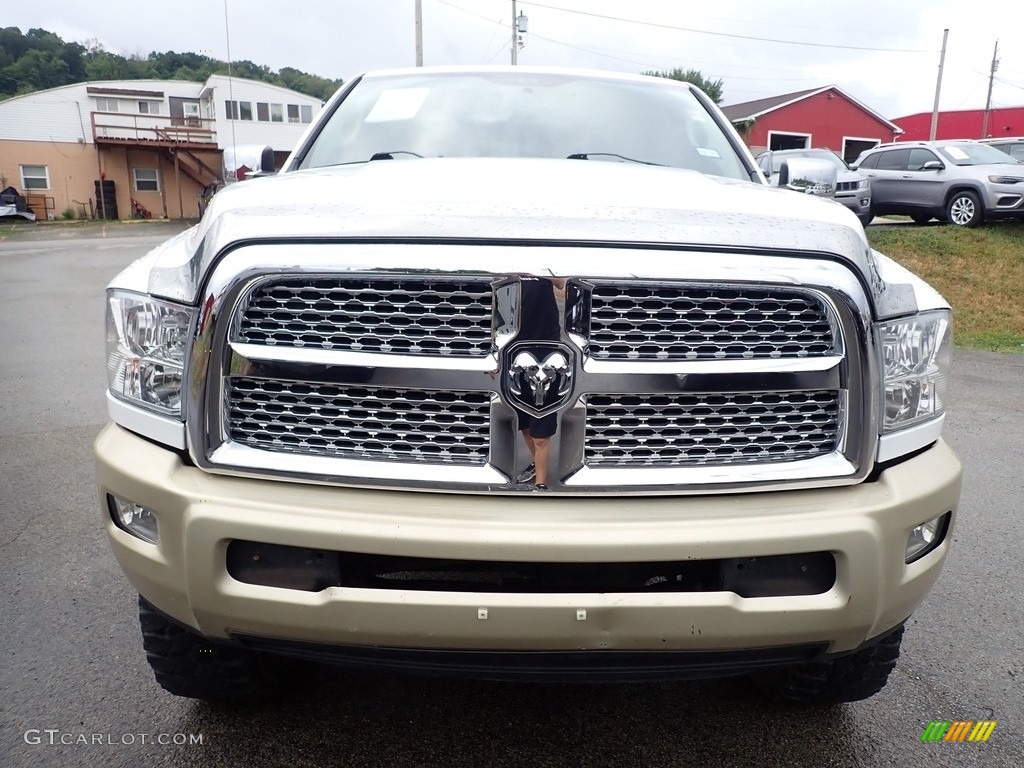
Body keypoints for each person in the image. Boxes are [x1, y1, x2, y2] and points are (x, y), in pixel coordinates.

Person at [512, 277, 564, 490]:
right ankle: (538, 463)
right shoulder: (507, 264)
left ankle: (540, 485)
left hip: (546, 348)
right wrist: (494, 353)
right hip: (514, 349)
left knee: (541, 427)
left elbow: (562, 283)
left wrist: (540, 269)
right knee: (523, 422)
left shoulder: (544, 260)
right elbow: (496, 310)